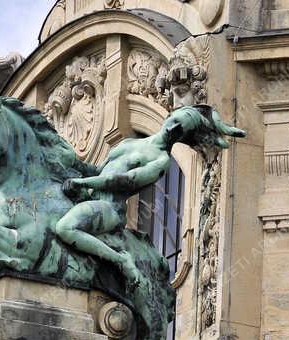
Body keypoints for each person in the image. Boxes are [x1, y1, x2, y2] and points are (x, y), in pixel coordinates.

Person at [56, 105, 244, 287]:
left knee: (64, 228)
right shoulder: (128, 143)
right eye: (174, 121)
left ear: (183, 137)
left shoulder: (161, 161)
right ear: (169, 116)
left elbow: (122, 181)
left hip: (109, 208)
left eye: (180, 130)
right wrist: (69, 160)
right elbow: (98, 171)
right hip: (88, 198)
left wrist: (83, 183)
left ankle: (121, 260)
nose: (172, 129)